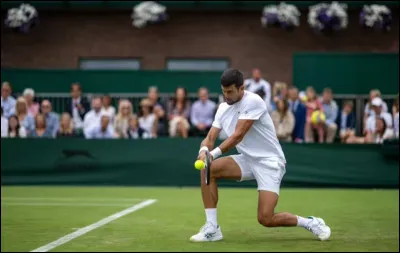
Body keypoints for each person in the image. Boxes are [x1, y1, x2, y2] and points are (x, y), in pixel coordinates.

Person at [190, 68, 331, 243]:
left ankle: (311, 223)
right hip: (247, 159)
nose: (226, 95)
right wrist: (203, 151)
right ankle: (212, 228)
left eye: (230, 91)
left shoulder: (254, 101)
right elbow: (210, 137)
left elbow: (238, 135)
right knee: (207, 170)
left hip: (270, 162)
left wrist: (213, 154)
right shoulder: (222, 108)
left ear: (241, 88)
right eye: (223, 91)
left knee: (266, 218)